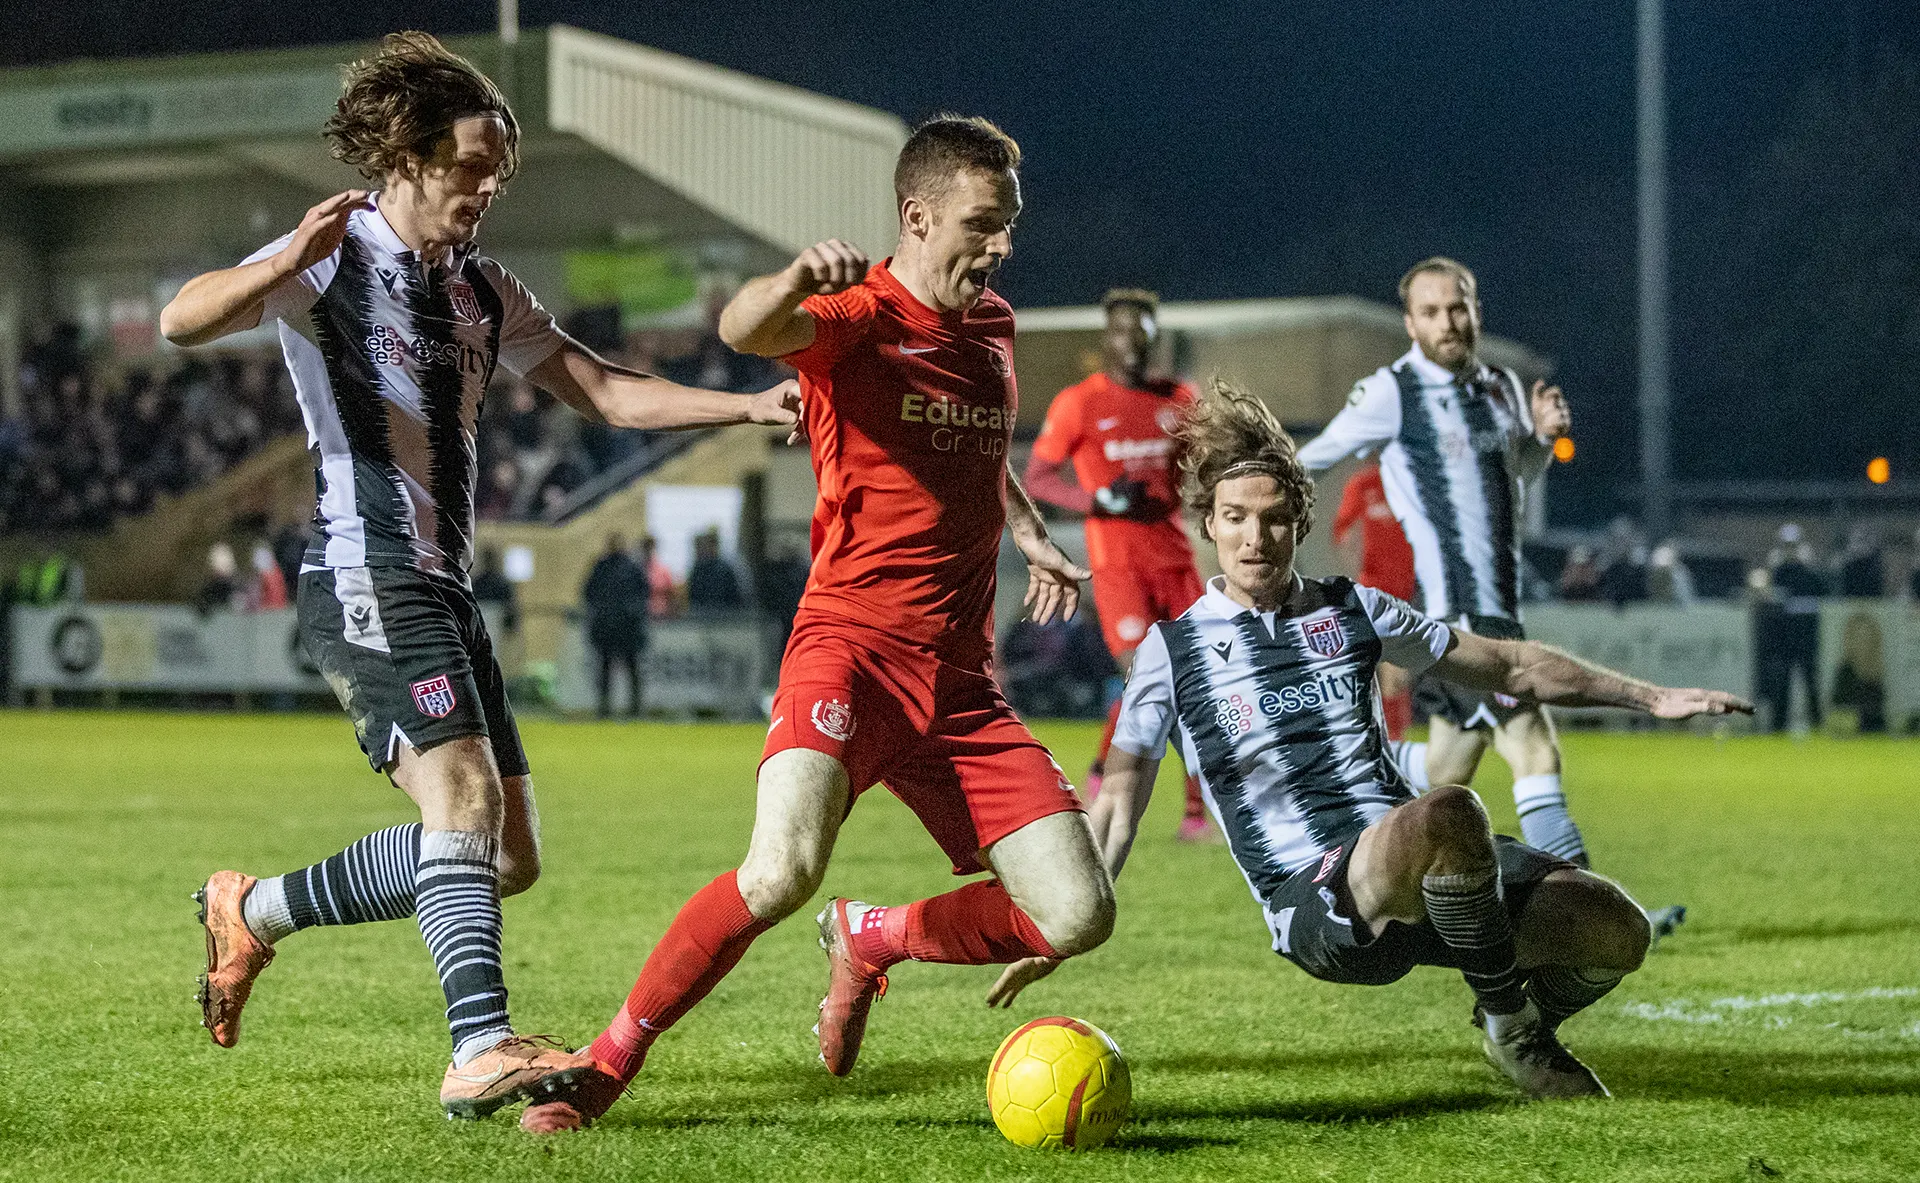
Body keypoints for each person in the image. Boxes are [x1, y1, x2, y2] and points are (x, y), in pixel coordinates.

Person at [159, 32, 801, 1120]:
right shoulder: (330, 251)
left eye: (500, 165)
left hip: (443, 585)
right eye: (471, 163)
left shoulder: (483, 291)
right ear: (407, 155)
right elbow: (181, 319)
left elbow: (600, 391)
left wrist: (744, 405)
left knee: (504, 855)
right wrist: (276, 264)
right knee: (457, 798)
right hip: (364, 567)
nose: (490, 183)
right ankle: (478, 1045)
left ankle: (253, 907)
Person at [520, 114, 1107, 1134]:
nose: (1002, 244)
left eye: (1010, 223)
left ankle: (874, 936)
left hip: (961, 684)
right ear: (917, 216)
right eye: (983, 222)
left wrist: (1030, 528)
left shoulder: (994, 329)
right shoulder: (854, 322)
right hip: (848, 647)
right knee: (781, 868)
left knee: (1077, 914)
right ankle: (606, 1064)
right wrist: (793, 277)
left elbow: (978, 447)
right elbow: (747, 329)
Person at [986, 380, 1751, 1097]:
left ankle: (1511, 1018)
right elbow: (1118, 804)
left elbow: (1511, 664)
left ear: (1302, 522)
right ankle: (1515, 1029)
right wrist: (1061, 920)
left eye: (1275, 517)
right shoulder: (1172, 652)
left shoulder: (1356, 611)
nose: (1257, 537)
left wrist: (1653, 696)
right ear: (1209, 524)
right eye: (1238, 517)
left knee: (1619, 930)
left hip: (1432, 874)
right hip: (1317, 900)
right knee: (1451, 808)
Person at [1294, 259, 1659, 908]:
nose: (1447, 322)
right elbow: (1316, 455)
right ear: (1409, 323)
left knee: (1443, 774)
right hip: (1462, 618)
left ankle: (1342, 776)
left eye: (1457, 307)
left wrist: (1542, 440)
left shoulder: (1499, 387)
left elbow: (1514, 475)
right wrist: (1252, 498)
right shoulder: (1392, 392)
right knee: (1535, 752)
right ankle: (1587, 910)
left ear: (1476, 310)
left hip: (1497, 612)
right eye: (1430, 312)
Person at [1023, 289, 1215, 840]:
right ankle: (1133, 791)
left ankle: (1192, 813)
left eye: (1141, 330)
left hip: (1175, 561)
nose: (1130, 340)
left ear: (1155, 334)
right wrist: (1097, 501)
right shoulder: (1079, 402)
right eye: (1120, 330)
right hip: (1118, 564)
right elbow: (1038, 478)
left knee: (1197, 680)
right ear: (1106, 337)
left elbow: (1207, 463)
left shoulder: (1180, 398)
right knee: (1143, 674)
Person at [1333, 459, 1419, 738]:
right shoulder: (1364, 484)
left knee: (1395, 675)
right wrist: (1356, 577)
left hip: (1408, 592)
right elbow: (1344, 532)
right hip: (1372, 591)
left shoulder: (1411, 481)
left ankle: (1392, 742)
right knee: (1387, 674)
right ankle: (1390, 742)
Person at [581, 534, 650, 718]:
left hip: (626, 627)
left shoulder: (629, 568)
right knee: (607, 670)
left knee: (630, 668)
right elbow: (588, 593)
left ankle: (635, 708)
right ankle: (605, 708)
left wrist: (632, 612)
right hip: (609, 627)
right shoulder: (604, 567)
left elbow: (643, 594)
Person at [685, 530, 745, 613]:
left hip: (725, 615)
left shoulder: (724, 569)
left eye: (705, 547)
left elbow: (734, 598)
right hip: (702, 615)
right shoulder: (696, 570)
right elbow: (693, 598)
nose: (702, 551)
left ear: (714, 547)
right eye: (699, 547)